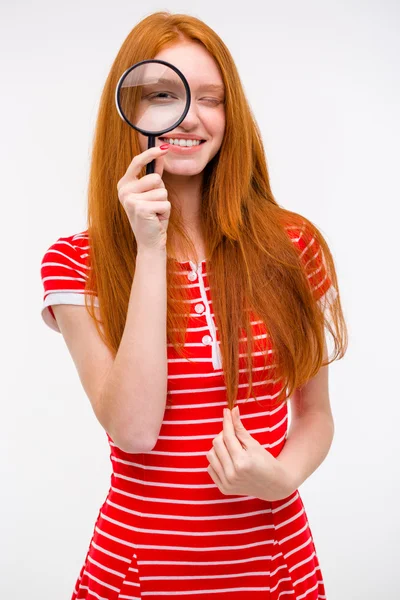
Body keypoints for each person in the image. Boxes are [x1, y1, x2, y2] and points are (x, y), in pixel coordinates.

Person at [40, 11, 348, 600]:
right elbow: (132, 431)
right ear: (126, 112)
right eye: (163, 94)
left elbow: (315, 414)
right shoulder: (76, 262)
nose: (190, 116)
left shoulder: (294, 247)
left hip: (277, 569)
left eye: (211, 98)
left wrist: (281, 477)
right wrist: (151, 248)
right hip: (136, 573)